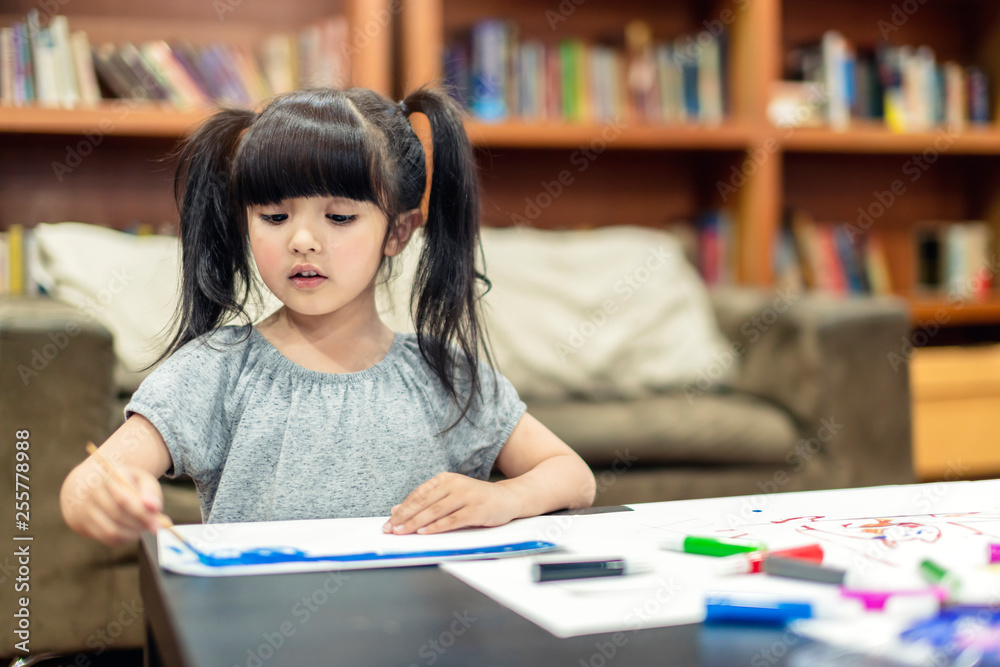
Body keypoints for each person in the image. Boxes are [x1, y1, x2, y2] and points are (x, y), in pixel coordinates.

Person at [59, 85, 596, 547]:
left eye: (339, 217)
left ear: (399, 231)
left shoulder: (442, 375)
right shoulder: (218, 370)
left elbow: (573, 476)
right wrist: (112, 498)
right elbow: (84, 487)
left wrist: (503, 497)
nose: (302, 240)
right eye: (273, 216)